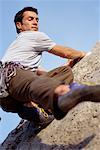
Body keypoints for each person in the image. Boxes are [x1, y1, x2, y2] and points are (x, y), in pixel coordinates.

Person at [0, 7, 100, 127]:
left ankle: (33, 110)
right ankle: (63, 94)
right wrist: (85, 54)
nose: (35, 22)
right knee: (32, 83)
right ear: (19, 25)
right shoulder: (32, 36)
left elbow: (40, 73)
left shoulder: (19, 50)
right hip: (12, 78)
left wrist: (66, 65)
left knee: (64, 71)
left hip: (9, 97)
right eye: (30, 19)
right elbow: (66, 52)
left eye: (37, 19)